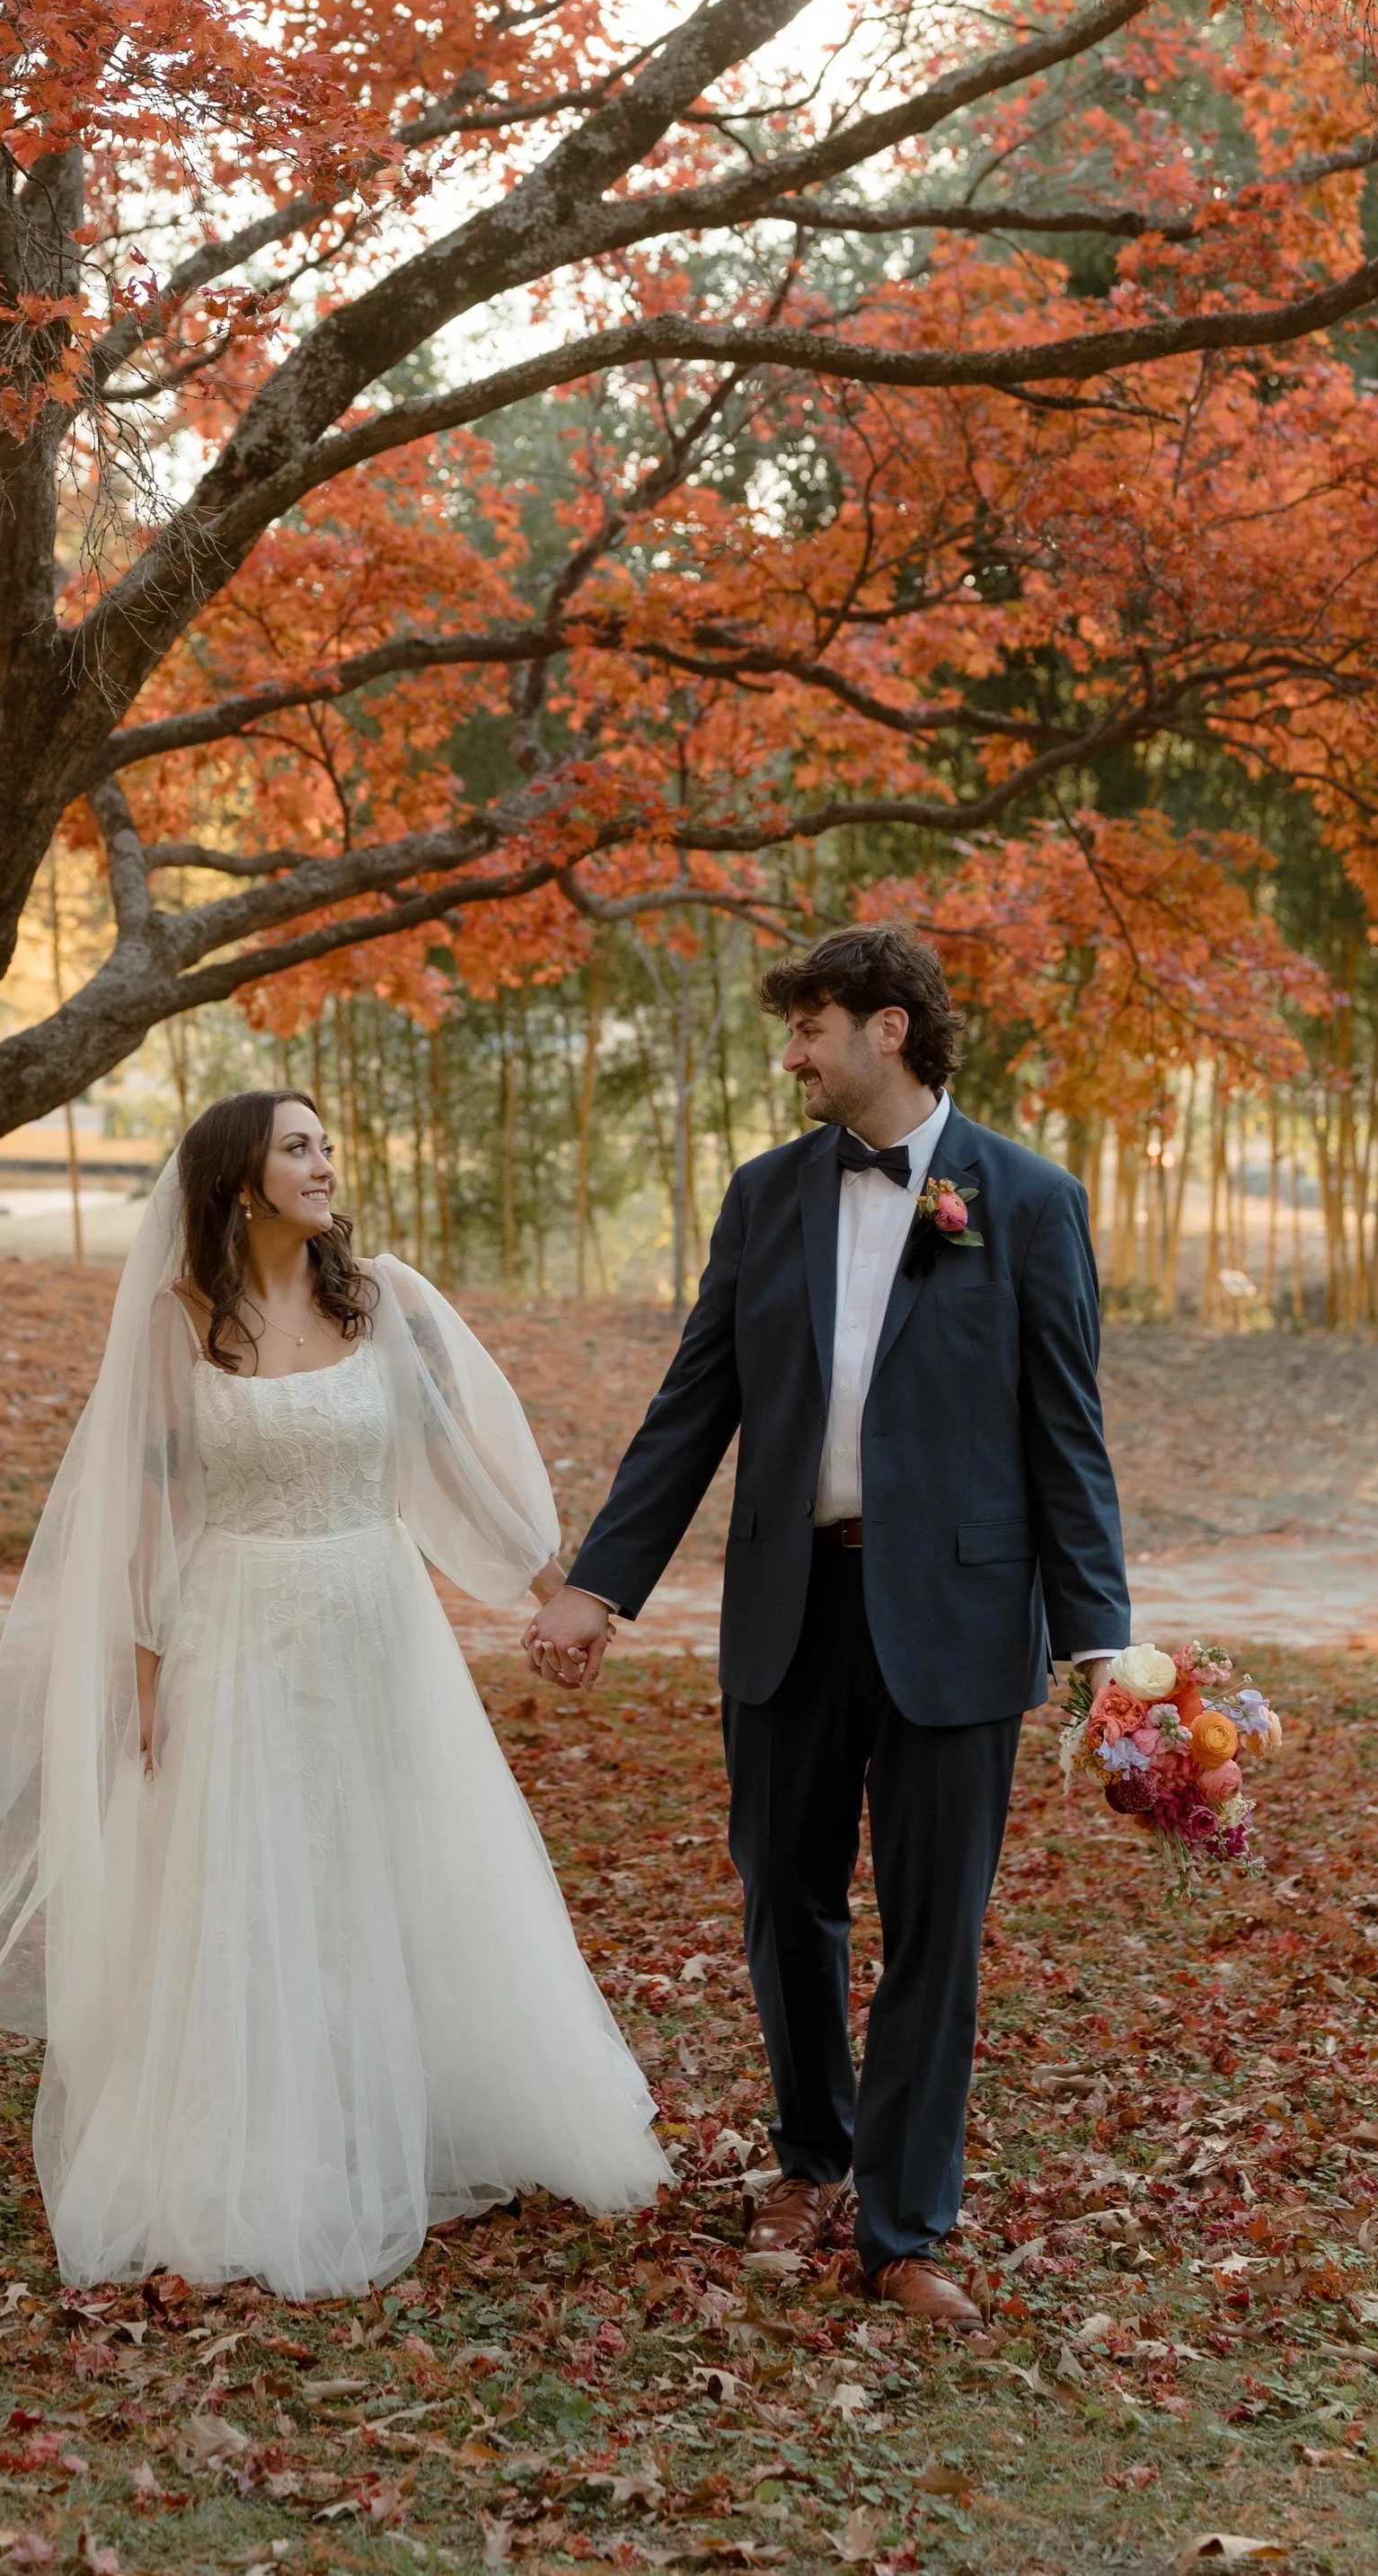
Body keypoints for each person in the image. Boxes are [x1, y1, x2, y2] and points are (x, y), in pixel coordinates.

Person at [0, 1089, 665, 2298]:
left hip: (377, 1623)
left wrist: (555, 1585)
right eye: (298, 1147)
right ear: (237, 1181)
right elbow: (152, 1517)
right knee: (255, 1875)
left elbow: (445, 1462)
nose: (325, 1163)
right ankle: (263, 2138)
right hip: (239, 1629)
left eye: (326, 1143)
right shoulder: (179, 1324)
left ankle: (403, 2104)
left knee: (387, 1860)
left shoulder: (375, 1297)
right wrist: (147, 1679)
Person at [526, 925, 1129, 2329]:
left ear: (891, 1030)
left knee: (936, 1929)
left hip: (965, 1619)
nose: (791, 1053)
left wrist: (1101, 1640)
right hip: (789, 1605)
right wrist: (598, 1583)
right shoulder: (763, 1196)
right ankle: (814, 2152)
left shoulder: (1029, 1202)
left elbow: (1068, 1438)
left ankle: (904, 2225)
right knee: (784, 1893)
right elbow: (695, 1405)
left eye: (810, 1025)